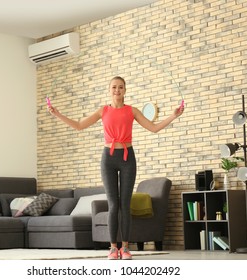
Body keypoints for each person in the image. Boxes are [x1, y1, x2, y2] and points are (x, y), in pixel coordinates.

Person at [47, 76, 184, 260]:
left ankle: (125, 248)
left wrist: (174, 115)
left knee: (125, 205)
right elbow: (79, 126)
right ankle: (113, 248)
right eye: (114, 87)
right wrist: (57, 113)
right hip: (108, 159)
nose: (117, 90)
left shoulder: (132, 111)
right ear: (109, 89)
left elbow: (154, 128)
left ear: (125, 90)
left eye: (120, 87)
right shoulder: (103, 111)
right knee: (113, 205)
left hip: (128, 158)